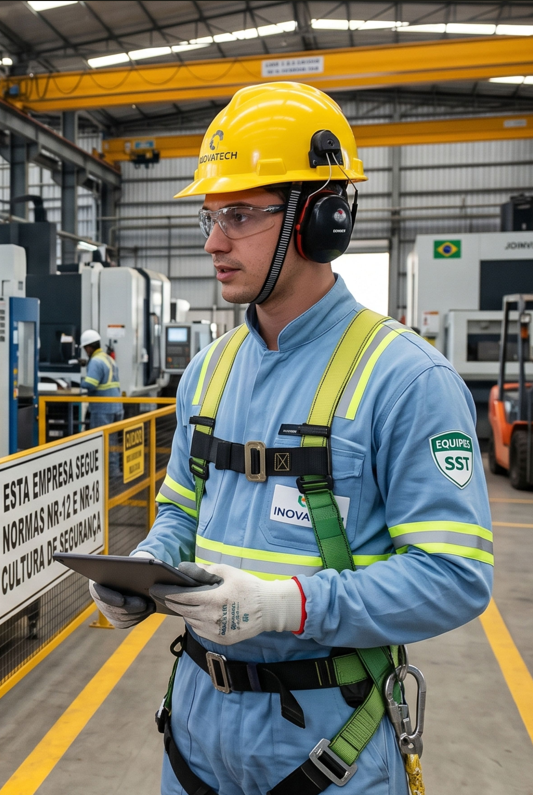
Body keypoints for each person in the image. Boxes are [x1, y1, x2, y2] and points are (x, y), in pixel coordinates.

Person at [89, 82, 492, 795]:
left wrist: (290, 605)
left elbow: (455, 575)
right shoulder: (208, 372)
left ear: (321, 218)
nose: (214, 241)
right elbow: (182, 511)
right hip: (195, 735)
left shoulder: (405, 378)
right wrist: (146, 567)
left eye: (239, 214)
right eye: (212, 215)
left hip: (328, 748)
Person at [81, 329, 122, 472]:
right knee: (112, 441)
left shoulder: (95, 361)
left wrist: (79, 383)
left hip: (102, 408)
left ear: (88, 347)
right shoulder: (108, 358)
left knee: (100, 442)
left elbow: (91, 384)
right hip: (116, 406)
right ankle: (114, 471)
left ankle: (104, 474)